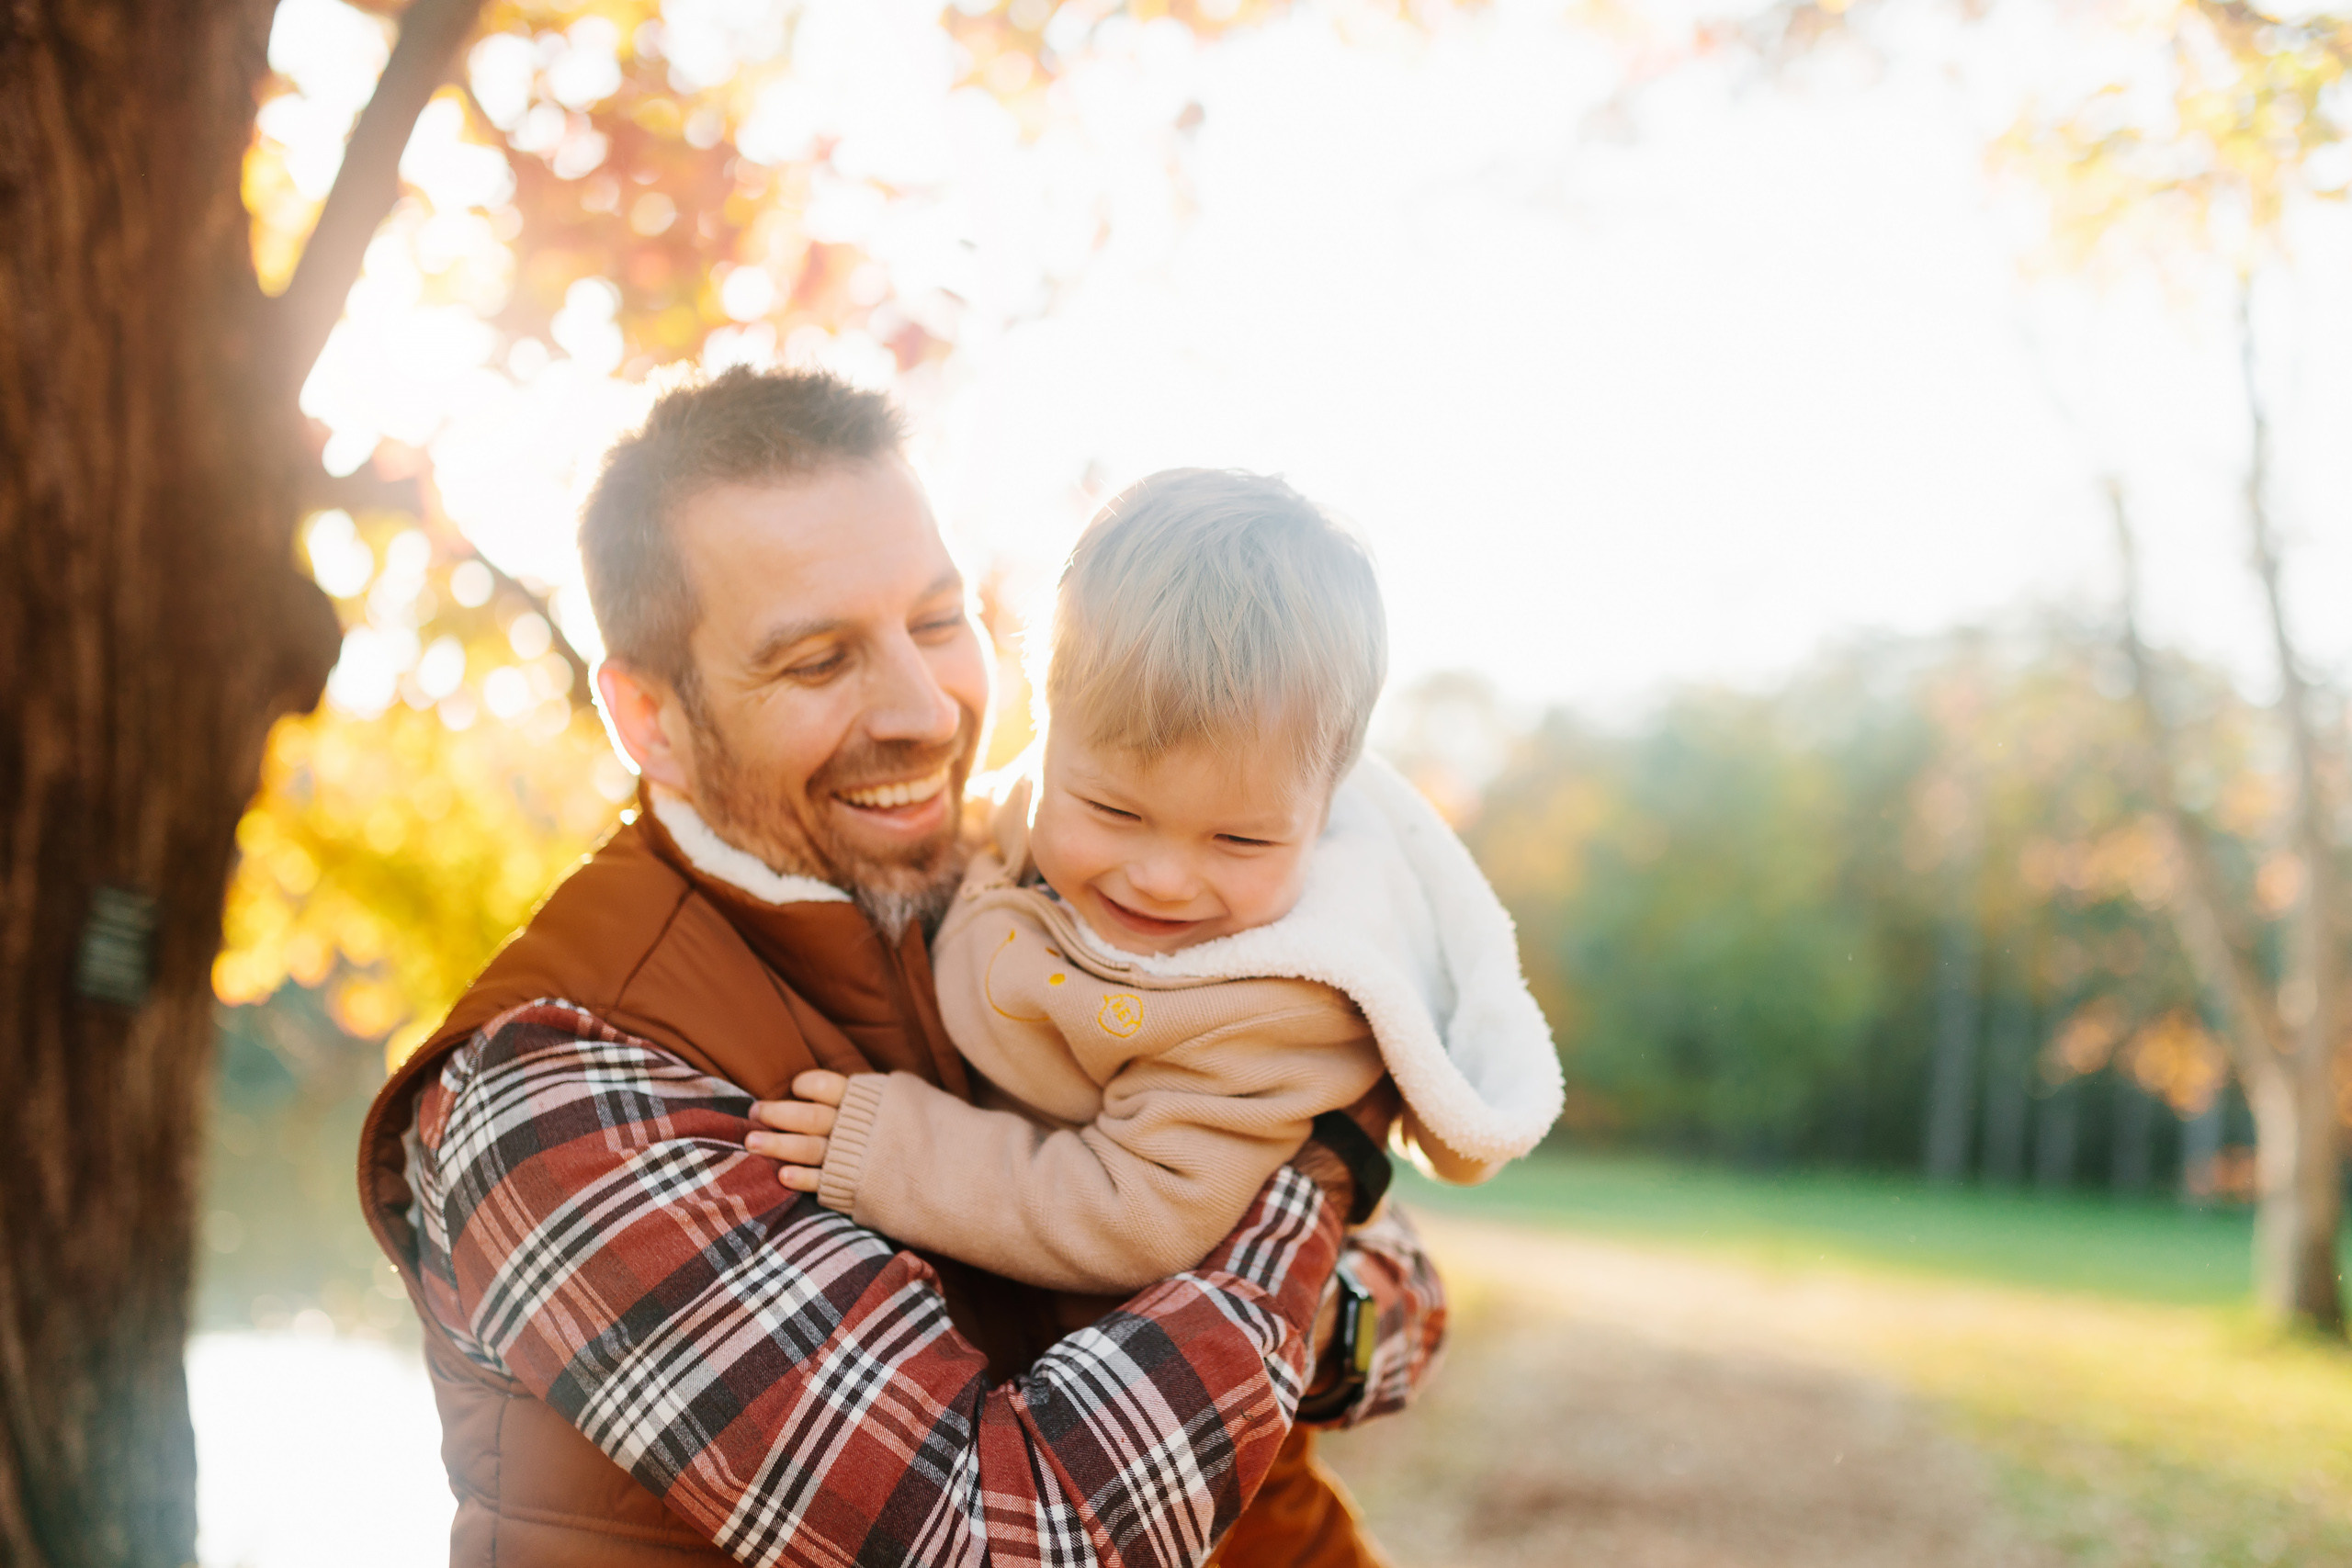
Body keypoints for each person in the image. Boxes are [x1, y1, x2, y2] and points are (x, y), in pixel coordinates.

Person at [356, 367, 1446, 1568]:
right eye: (820, 660)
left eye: (937, 620)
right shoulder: (557, 1088)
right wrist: (1313, 1160)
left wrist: (1325, 1312)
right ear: (650, 716)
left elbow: (1407, 1302)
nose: (927, 708)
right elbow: (1003, 1536)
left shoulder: (1040, 879)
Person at [745, 469, 1564, 1562]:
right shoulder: (1014, 821)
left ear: (1321, 814)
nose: (1163, 879)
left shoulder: (1273, 1005)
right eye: (1111, 809)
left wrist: (901, 1152)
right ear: (1052, 738)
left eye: (1240, 842)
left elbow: (1136, 1207)